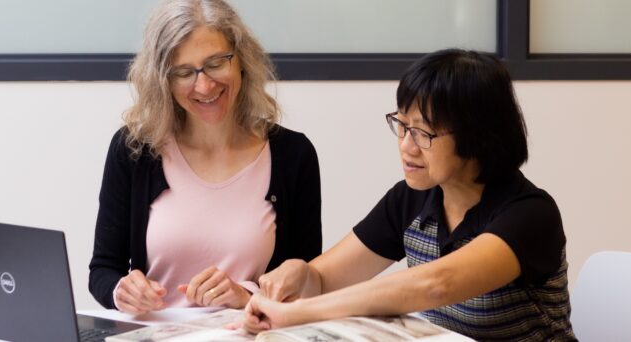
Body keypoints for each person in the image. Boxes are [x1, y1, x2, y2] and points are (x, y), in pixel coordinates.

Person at [243, 49, 576, 341]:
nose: (406, 146)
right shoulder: (411, 199)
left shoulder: (530, 214)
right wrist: (302, 275)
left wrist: (304, 313)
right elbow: (324, 279)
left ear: (477, 137)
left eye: (422, 132)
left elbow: (437, 284)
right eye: (401, 125)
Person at [88, 0, 321, 315]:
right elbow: (103, 270)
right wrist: (121, 291)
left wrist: (246, 296)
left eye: (215, 63)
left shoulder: (294, 155)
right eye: (184, 72)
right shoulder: (132, 150)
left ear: (241, 59)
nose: (204, 85)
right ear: (163, 81)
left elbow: (307, 281)